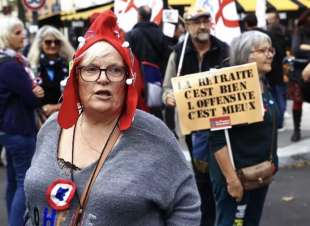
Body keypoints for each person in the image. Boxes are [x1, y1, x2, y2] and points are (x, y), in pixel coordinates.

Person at [24, 10, 201, 226]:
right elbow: (33, 201)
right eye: (91, 69)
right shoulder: (52, 127)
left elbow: (186, 206)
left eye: (115, 70)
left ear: (128, 80)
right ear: (76, 78)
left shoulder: (154, 134)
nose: (103, 79)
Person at [162, 6, 229, 226]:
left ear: (211, 22)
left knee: (225, 174)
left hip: (223, 127)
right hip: (194, 129)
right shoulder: (179, 53)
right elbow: (166, 87)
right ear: (187, 25)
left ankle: (227, 215)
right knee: (202, 177)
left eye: (205, 20)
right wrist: (169, 96)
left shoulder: (224, 50)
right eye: (196, 21)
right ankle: (207, 219)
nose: (202, 26)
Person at [208, 30, 278, 226]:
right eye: (263, 50)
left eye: (270, 49)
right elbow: (217, 139)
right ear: (246, 55)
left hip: (260, 174)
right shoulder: (227, 87)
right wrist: (232, 180)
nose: (270, 54)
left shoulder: (263, 83)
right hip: (236, 178)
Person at [0, 16, 44, 226]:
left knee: (12, 182)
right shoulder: (11, 65)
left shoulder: (7, 62)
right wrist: (36, 92)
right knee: (22, 183)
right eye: (17, 33)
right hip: (19, 129)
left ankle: (12, 220)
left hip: (8, 130)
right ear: (5, 36)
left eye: (23, 31)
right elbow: (32, 98)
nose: (23, 36)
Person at [126, 5, 170, 120]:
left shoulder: (131, 35)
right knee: (156, 110)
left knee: (140, 112)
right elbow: (167, 55)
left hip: (138, 81)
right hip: (157, 78)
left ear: (139, 16)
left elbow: (127, 58)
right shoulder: (160, 33)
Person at [27, 25, 74, 117]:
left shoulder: (70, 65)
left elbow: (77, 95)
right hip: (39, 118)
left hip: (65, 117)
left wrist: (56, 107)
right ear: (41, 44)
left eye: (56, 42)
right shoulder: (32, 66)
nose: (53, 45)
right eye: (48, 42)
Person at [265, 8, 288, 130]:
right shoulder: (283, 31)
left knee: (276, 96)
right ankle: (279, 120)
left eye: (270, 20)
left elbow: (276, 52)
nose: (269, 22)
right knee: (280, 95)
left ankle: (278, 122)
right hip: (279, 68)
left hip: (273, 69)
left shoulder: (270, 34)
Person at [289, 9, 310, 142]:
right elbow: (296, 49)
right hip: (298, 72)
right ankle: (296, 130)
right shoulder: (300, 30)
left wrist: (305, 47)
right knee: (298, 102)